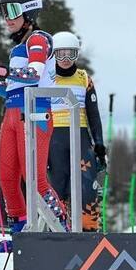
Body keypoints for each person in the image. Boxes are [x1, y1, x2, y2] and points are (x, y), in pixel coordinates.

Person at [0, 0, 68, 251]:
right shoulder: (17, 50)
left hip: (34, 114)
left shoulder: (39, 39)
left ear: (28, 12)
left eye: (11, 11)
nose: (6, 18)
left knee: (34, 178)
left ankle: (61, 229)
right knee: (8, 177)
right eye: (2, 12)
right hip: (12, 113)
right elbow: (12, 88)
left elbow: (33, 75)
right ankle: (19, 233)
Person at [48, 31, 105, 232]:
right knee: (57, 183)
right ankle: (56, 226)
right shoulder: (48, 78)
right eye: (60, 54)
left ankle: (89, 227)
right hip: (54, 138)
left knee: (86, 183)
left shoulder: (83, 78)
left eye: (70, 54)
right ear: (52, 54)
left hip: (79, 135)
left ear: (77, 55)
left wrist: (99, 144)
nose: (65, 60)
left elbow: (94, 114)